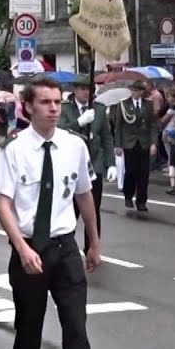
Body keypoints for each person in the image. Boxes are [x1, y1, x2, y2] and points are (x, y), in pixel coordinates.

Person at [0, 75, 101, 349]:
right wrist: (21, 247)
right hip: (29, 250)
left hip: (66, 249)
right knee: (29, 337)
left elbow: (84, 193)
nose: (54, 108)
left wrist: (94, 241)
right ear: (28, 106)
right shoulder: (13, 149)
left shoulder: (74, 146)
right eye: (46, 102)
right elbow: (3, 203)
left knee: (77, 337)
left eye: (58, 102)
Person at [58, 76, 116, 233]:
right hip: (71, 164)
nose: (86, 93)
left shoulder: (99, 109)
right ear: (75, 90)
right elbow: (59, 131)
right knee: (71, 209)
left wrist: (111, 163)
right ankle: (65, 245)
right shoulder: (65, 109)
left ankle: (91, 247)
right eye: (82, 89)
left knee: (93, 209)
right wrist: (79, 122)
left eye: (89, 89)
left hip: (94, 162)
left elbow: (106, 137)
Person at [114, 80, 158, 213]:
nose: (135, 92)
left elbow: (153, 125)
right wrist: (118, 145)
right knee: (131, 171)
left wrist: (153, 143)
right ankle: (128, 195)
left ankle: (141, 201)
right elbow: (119, 126)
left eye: (137, 90)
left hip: (144, 143)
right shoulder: (123, 104)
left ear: (141, 92)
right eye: (133, 90)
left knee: (144, 174)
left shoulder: (148, 105)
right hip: (129, 143)